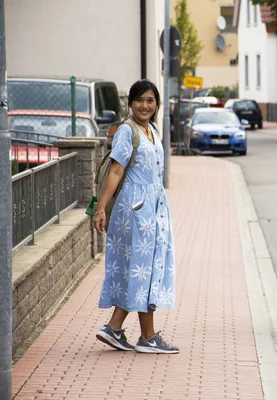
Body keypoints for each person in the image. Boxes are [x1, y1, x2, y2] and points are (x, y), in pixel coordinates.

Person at [93, 79, 179, 353]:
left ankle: (117, 329)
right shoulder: (126, 131)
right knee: (144, 269)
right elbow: (116, 171)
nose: (145, 105)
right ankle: (145, 336)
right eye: (139, 100)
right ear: (130, 103)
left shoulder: (151, 129)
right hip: (134, 208)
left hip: (153, 209)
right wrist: (100, 208)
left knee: (145, 269)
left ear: (157, 104)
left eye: (150, 101)